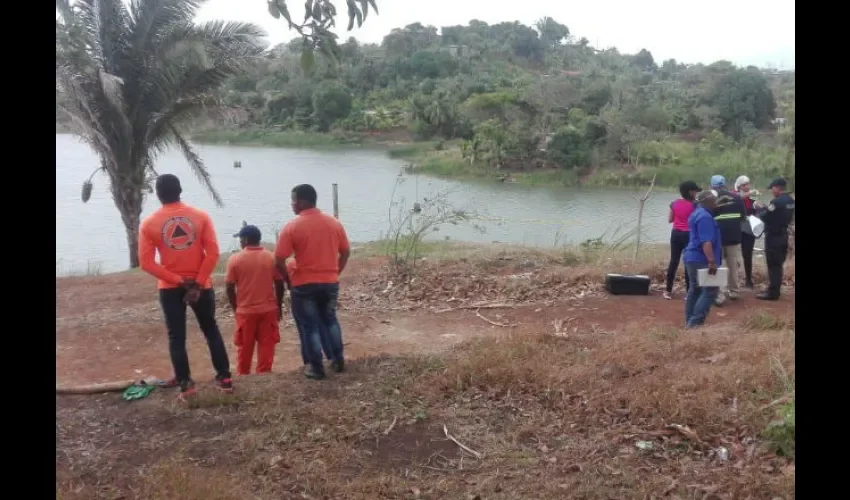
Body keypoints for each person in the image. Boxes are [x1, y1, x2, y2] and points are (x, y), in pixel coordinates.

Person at [138, 174, 233, 400]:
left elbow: (146, 263)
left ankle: (186, 385)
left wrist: (180, 281)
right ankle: (225, 378)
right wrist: (197, 283)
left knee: (176, 337)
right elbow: (213, 254)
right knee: (211, 330)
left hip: (170, 288)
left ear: (158, 194)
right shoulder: (200, 216)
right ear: (180, 191)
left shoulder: (150, 224)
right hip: (202, 286)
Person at [275, 184, 351, 379]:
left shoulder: (292, 226)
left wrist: (287, 280)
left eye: (293, 200)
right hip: (329, 282)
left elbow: (279, 259)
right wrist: (336, 271)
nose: (291, 204)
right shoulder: (334, 223)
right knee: (330, 319)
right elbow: (346, 252)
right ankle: (337, 359)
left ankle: (316, 367)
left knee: (309, 326)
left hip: (304, 284)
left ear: (301, 202)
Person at [225, 225, 285, 376]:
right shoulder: (271, 257)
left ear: (245, 240)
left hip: (245, 311)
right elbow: (279, 283)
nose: (240, 242)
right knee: (267, 347)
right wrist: (278, 305)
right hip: (268, 310)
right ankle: (264, 376)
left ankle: (244, 375)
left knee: (244, 348)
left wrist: (235, 308)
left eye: (240, 239)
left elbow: (229, 287)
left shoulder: (235, 259)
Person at [683, 190, 723, 329]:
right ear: (708, 202)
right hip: (702, 259)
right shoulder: (705, 217)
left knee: (695, 289)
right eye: (714, 200)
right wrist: (711, 262)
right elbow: (706, 242)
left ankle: (689, 322)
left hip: (691, 257)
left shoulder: (696, 213)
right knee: (711, 291)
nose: (716, 203)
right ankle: (694, 324)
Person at [286, 257, 334, 367]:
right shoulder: (316, 261)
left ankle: (310, 362)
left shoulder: (291, 264)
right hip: (318, 295)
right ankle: (331, 357)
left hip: (299, 297)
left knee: (305, 332)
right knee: (322, 328)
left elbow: (289, 282)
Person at [755, 177, 795, 301]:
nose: (772, 191)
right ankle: (774, 288)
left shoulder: (776, 202)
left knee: (773, 265)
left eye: (772, 188)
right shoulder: (790, 200)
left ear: (777, 187)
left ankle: (773, 293)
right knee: (778, 264)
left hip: (774, 237)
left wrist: (760, 207)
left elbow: (764, 216)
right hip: (784, 235)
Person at [709, 175, 746, 306]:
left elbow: (708, 218)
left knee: (719, 265)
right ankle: (734, 291)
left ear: (713, 186)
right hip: (734, 236)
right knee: (733, 265)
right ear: (725, 184)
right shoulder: (737, 198)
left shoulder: (712, 200)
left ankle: (720, 295)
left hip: (718, 237)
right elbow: (742, 218)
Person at [664, 181, 700, 300]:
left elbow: (670, 220)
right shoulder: (696, 205)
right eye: (695, 191)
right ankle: (689, 292)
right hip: (689, 235)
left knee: (674, 261)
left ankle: (668, 291)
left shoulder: (674, 203)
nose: (696, 193)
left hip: (675, 234)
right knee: (688, 262)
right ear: (690, 192)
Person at [733, 175, 760, 289]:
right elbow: (738, 198)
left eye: (748, 184)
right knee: (731, 255)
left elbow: (757, 214)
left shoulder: (752, 199)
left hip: (748, 230)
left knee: (747, 255)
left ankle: (748, 280)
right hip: (735, 229)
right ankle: (732, 280)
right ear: (739, 186)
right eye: (744, 185)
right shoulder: (734, 195)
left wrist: (760, 207)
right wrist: (750, 193)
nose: (747, 187)